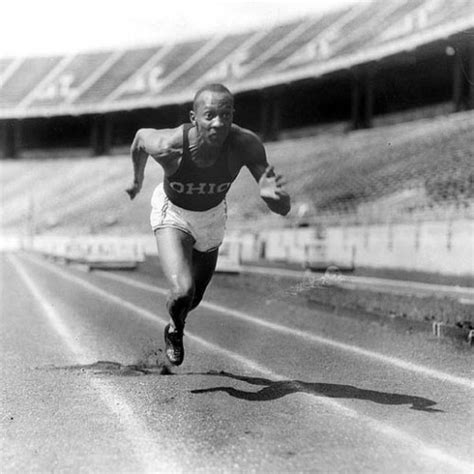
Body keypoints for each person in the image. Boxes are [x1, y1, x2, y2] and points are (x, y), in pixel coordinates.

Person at [126, 83, 290, 366]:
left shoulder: (246, 144)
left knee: (192, 299)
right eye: (209, 115)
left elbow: (283, 207)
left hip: (212, 217)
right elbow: (140, 139)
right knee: (182, 290)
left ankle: (177, 321)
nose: (218, 123)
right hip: (173, 212)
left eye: (225, 115)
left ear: (233, 115)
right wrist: (137, 179)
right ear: (194, 118)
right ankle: (175, 331)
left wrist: (273, 198)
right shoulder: (169, 146)